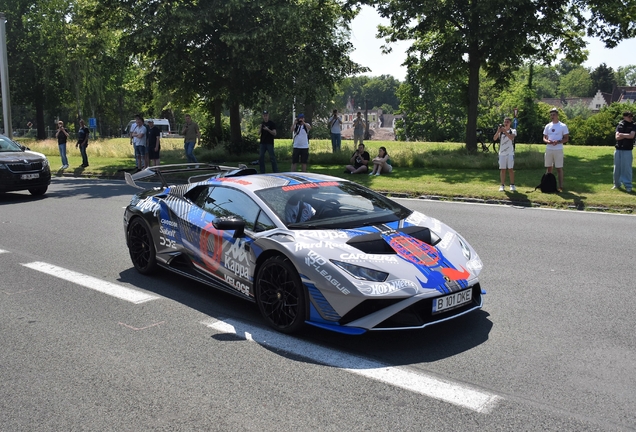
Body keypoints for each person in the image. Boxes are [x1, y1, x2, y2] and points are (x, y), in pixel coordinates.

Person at [543, 107, 569, 192]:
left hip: (558, 149)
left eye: (554, 115)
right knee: (549, 167)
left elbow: (566, 138)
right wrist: (548, 141)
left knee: (559, 168)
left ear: (557, 115)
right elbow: (544, 137)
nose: (552, 116)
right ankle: (548, 185)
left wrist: (558, 142)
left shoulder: (562, 126)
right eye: (551, 115)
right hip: (549, 148)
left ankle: (560, 186)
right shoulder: (548, 126)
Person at [613, 110, 635, 192]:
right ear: (624, 117)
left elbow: (631, 136)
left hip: (627, 150)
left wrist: (622, 135)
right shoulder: (620, 125)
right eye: (629, 116)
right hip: (618, 149)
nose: (630, 118)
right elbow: (617, 137)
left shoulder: (633, 125)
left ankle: (628, 185)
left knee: (627, 168)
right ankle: (616, 184)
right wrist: (625, 135)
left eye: (631, 116)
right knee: (617, 168)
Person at [494, 117, 517, 191]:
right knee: (502, 169)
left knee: (510, 169)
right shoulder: (501, 131)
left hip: (510, 153)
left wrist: (505, 132)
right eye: (505, 122)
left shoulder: (513, 130)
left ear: (510, 123)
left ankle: (512, 185)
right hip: (502, 153)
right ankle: (502, 185)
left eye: (507, 122)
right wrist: (498, 131)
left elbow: (511, 138)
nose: (506, 123)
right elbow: (494, 138)